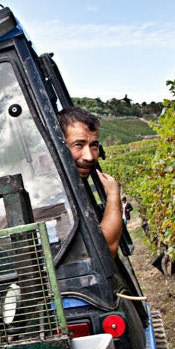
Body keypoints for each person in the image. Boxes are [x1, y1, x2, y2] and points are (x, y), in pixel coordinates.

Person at [58, 106, 123, 257]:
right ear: (60, 145)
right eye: (78, 145)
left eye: (93, 145)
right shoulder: (57, 191)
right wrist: (113, 195)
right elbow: (106, 250)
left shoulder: (73, 184)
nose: (89, 156)